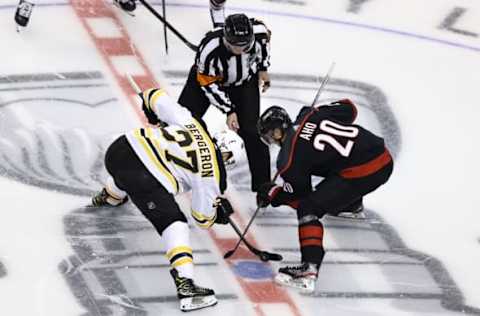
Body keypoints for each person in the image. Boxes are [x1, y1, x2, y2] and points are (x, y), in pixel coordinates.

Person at [90, 87, 237, 311]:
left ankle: (111, 194)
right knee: (174, 223)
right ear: (227, 157)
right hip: (142, 176)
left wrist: (149, 110)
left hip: (118, 149)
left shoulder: (194, 124)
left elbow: (155, 95)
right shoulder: (213, 173)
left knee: (135, 169)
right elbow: (202, 218)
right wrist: (217, 212)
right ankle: (186, 284)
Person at [255, 99, 394, 294]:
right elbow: (350, 109)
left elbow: (301, 199)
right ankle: (349, 205)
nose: (273, 140)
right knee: (328, 161)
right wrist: (320, 111)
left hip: (366, 171)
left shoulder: (288, 160)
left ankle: (309, 269)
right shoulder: (310, 114)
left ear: (279, 130)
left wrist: (274, 194)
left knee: (308, 209)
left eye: (271, 135)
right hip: (383, 156)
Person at [178, 13, 272, 193]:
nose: (240, 50)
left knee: (253, 133)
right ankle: (170, 167)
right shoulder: (209, 49)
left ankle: (264, 187)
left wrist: (263, 68)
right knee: (181, 123)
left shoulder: (260, 33)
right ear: (225, 39)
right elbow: (207, 85)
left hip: (244, 83)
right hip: (209, 81)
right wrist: (229, 109)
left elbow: (265, 47)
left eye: (245, 45)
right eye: (234, 45)